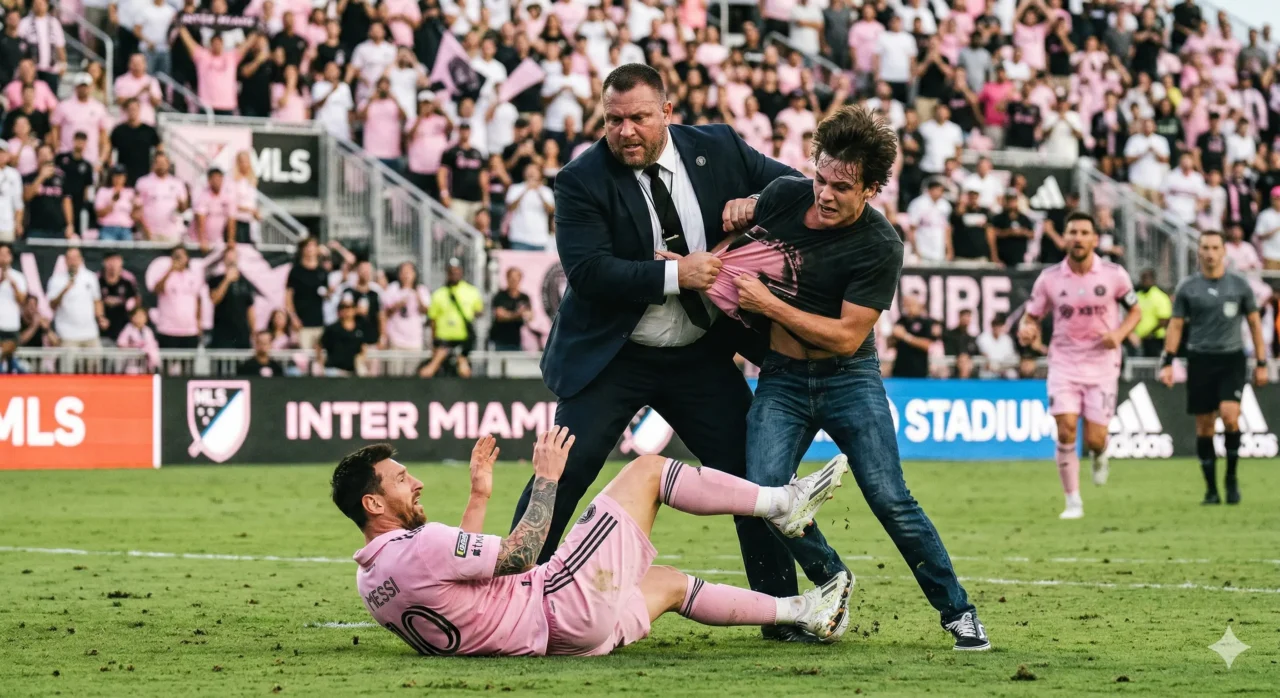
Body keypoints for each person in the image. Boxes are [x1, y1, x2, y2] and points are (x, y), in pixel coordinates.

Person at [526, 63, 808, 644]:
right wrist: (676, 275)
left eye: (639, 118)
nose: (626, 131)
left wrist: (754, 201)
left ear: (668, 113)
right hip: (613, 356)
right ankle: (513, 597)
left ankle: (780, 614)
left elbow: (796, 190)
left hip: (699, 355)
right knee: (564, 474)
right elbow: (586, 271)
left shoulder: (720, 146)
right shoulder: (580, 179)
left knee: (748, 482)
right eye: (613, 119)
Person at [703, 105, 986, 651]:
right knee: (763, 495)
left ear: (872, 189)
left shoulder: (880, 246)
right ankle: (833, 578)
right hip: (781, 378)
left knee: (889, 497)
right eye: (821, 178)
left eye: (842, 186)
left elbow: (846, 337)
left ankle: (958, 611)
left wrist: (769, 304)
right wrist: (737, 214)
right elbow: (735, 233)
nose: (825, 194)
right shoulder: (786, 195)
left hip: (848, 377)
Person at [334, 429, 853, 657]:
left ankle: (804, 611)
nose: (415, 482)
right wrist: (547, 478)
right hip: (558, 602)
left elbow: (470, 578)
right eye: (400, 479)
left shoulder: (373, 577)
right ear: (373, 505)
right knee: (648, 470)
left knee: (669, 585)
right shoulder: (417, 546)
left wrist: (478, 493)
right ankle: (784, 504)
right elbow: (519, 556)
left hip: (563, 641)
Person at [1018, 212, 1143, 520]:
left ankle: (1100, 454)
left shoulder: (1114, 274)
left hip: (1102, 365)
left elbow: (1136, 312)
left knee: (1095, 438)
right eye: (1072, 231)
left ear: (1094, 239)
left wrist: (1118, 334)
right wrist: (1026, 328)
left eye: (1084, 232)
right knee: (1066, 429)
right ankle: (1073, 501)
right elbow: (1032, 316)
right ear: (1066, 238)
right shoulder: (1050, 278)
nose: (1077, 237)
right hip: (1064, 362)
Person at [1159, 231, 1270, 506]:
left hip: (1231, 358)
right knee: (1204, 425)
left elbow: (1255, 324)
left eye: (1214, 248)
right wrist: (1168, 362)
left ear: (1224, 252)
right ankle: (1211, 488)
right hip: (1199, 359)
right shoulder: (1188, 287)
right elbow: (1175, 325)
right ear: (1199, 251)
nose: (1209, 253)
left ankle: (1231, 477)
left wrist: (1262, 362)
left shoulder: (1240, 286)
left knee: (1231, 416)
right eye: (1205, 247)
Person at [422, 259, 482, 378]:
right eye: (451, 271)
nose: (454, 273)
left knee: (464, 370)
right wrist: (433, 344)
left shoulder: (471, 291)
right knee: (434, 369)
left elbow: (478, 311)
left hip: (463, 341)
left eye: (457, 270)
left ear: (462, 271)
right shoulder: (439, 294)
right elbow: (433, 320)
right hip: (443, 341)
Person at [46, 247, 105, 349]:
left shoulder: (90, 277)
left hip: (90, 332)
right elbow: (52, 305)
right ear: (65, 260)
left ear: (81, 259)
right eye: (70, 258)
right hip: (67, 333)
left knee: (95, 363)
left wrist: (100, 317)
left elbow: (97, 300)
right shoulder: (56, 279)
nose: (73, 261)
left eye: (75, 258)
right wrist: (64, 290)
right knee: (69, 364)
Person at [152, 245, 204, 349]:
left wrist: (198, 323)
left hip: (190, 330)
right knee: (167, 363)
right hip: (167, 329)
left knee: (188, 364)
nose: (179, 259)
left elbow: (198, 300)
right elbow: (157, 290)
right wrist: (170, 270)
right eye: (176, 256)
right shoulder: (164, 275)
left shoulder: (193, 277)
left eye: (181, 256)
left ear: (187, 258)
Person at [439, 122, 489, 225]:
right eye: (462, 130)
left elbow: (483, 177)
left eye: (467, 130)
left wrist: (485, 198)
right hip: (458, 199)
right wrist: (444, 193)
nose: (464, 132)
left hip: (476, 199)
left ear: (470, 132)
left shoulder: (478, 152)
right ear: (459, 131)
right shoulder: (451, 151)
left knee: (475, 232)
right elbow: (442, 173)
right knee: (456, 230)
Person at [208, 246, 256, 350]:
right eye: (228, 258)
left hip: (242, 333)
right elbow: (215, 299)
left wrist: (253, 331)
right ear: (224, 260)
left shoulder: (245, 281)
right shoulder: (216, 280)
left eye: (233, 257)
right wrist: (227, 280)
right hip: (222, 333)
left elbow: (250, 308)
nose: (231, 260)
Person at [286, 237, 330, 350]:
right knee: (304, 360)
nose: (310, 249)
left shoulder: (322, 272)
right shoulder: (296, 271)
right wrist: (293, 317)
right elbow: (288, 297)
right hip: (301, 324)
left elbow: (327, 295)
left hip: (319, 323)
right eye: (307, 246)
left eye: (313, 246)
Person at [22, 144, 73, 239]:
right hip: (36, 229)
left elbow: (66, 201)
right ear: (37, 157)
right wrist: (41, 177)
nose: (45, 157)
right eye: (42, 154)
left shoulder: (62, 177)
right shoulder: (30, 177)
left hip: (58, 229)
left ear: (52, 156)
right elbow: (26, 196)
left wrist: (70, 224)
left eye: (48, 153)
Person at [109, 99, 161, 186]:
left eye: (134, 109)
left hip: (144, 174)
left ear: (139, 110)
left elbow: (159, 147)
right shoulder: (119, 130)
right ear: (126, 111)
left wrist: (155, 166)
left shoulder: (148, 130)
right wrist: (111, 167)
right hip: (123, 176)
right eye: (130, 109)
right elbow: (109, 148)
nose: (132, 112)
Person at [504, 163, 555, 251]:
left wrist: (539, 192)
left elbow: (551, 210)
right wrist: (525, 190)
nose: (531, 173)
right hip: (519, 237)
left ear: (540, 174)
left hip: (540, 238)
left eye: (534, 170)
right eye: (528, 170)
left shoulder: (546, 191)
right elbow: (510, 208)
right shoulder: (515, 188)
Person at [382, 262, 430, 351]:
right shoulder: (393, 288)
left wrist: (418, 297)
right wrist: (398, 304)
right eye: (403, 272)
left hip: (414, 339)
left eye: (409, 272)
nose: (406, 275)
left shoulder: (421, 289)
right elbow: (385, 313)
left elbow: (426, 311)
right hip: (395, 338)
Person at [318, 296, 370, 376]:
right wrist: (321, 365)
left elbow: (363, 348)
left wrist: (360, 362)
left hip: (352, 372)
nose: (346, 310)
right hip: (333, 371)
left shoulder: (360, 329)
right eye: (343, 308)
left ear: (354, 309)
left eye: (349, 307)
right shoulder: (332, 329)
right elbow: (319, 345)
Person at [890, 295, 939, 378]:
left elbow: (927, 345)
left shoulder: (926, 322)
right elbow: (891, 345)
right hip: (899, 369)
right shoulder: (901, 321)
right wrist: (893, 336)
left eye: (910, 304)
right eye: (906, 305)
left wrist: (905, 336)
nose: (907, 308)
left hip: (918, 370)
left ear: (918, 305)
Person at [98, 251, 140, 341]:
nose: (113, 264)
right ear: (104, 262)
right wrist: (100, 317)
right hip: (101, 324)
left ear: (121, 262)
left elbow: (137, 299)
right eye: (110, 261)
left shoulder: (128, 279)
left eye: (116, 261)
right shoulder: (96, 278)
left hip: (123, 324)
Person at [491, 266, 532, 351]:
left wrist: (509, 315)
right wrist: (517, 315)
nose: (513, 281)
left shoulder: (524, 297)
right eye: (511, 278)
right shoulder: (500, 296)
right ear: (507, 278)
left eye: (516, 279)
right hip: (500, 340)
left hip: (517, 341)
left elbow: (530, 316)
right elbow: (500, 316)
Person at [94, 166, 139, 242]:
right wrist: (113, 202)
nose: (118, 179)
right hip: (108, 228)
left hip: (126, 229)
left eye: (121, 176)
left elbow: (135, 214)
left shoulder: (130, 192)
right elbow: (99, 213)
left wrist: (136, 207)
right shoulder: (103, 191)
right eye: (116, 176)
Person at [990, 189, 1034, 267]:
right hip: (1003, 258)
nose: (1011, 203)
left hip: (1020, 258)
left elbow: (1032, 234)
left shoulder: (1023, 218)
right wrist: (1009, 232)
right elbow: (992, 233)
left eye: (1013, 200)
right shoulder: (998, 218)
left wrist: (1022, 232)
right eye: (1009, 200)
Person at [1134, 269, 1172, 357]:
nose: (1144, 281)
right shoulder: (1137, 296)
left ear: (1153, 280)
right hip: (1137, 339)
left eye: (1146, 279)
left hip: (1155, 340)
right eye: (1142, 279)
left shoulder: (1160, 296)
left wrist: (1149, 333)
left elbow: (1164, 320)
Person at [976, 312, 1018, 377]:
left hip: (1004, 367)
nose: (997, 327)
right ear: (992, 325)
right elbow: (984, 354)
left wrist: (1003, 367)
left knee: (1012, 374)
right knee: (986, 375)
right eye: (995, 325)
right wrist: (991, 365)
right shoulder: (983, 337)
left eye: (999, 325)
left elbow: (1011, 356)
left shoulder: (1007, 339)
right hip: (989, 368)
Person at [942, 309, 979, 379]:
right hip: (953, 366)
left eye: (968, 317)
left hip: (969, 366)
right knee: (963, 361)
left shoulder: (971, 338)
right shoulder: (949, 335)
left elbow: (975, 353)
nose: (966, 319)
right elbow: (948, 351)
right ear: (959, 317)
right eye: (964, 316)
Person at [0, 242, 25, 342]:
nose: (4, 257)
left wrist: (14, 286)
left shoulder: (18, 277)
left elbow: (22, 301)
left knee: (11, 353)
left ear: (11, 256)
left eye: (6, 254)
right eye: (1, 254)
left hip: (11, 324)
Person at [0, 143, 22, 242]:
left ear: (8, 155)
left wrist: (18, 223)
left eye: (2, 152)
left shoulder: (14, 174)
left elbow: (18, 202)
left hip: (7, 224)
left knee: (6, 254)